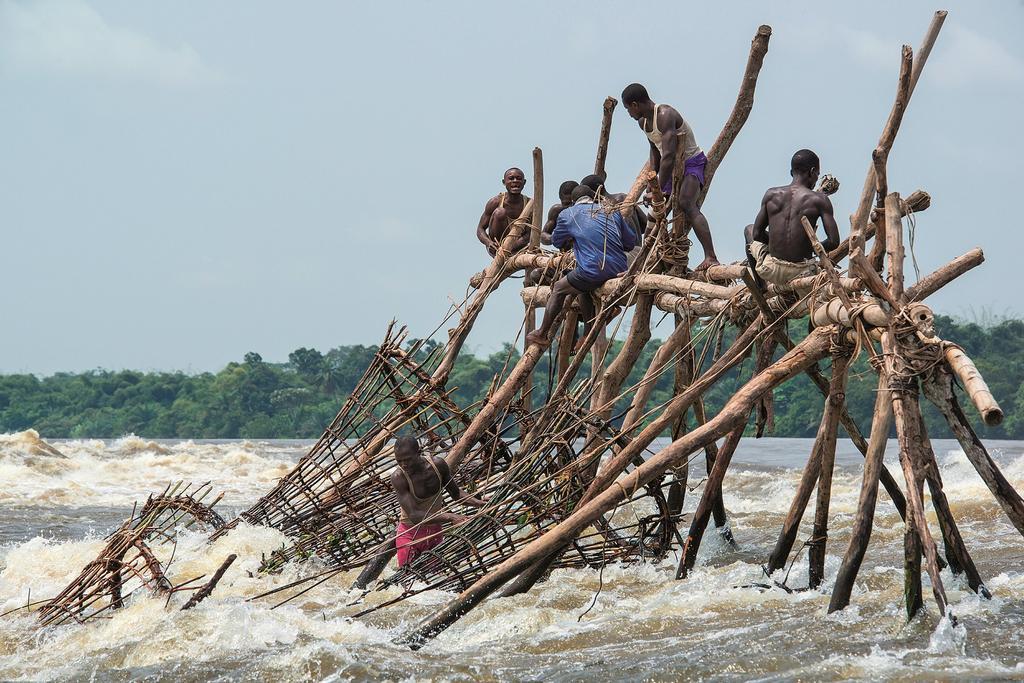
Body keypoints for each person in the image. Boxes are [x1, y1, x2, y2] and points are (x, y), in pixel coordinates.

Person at [621, 83, 719, 271]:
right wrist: (652, 185)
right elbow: (655, 153)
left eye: (628, 109)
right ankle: (639, 265)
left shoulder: (665, 115)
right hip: (670, 169)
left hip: (691, 163)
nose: (629, 114)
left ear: (635, 105)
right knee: (655, 214)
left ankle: (711, 256)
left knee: (686, 203)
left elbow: (669, 155)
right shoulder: (644, 123)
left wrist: (657, 187)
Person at [525, 185, 636, 348]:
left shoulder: (567, 214)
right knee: (580, 287)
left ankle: (542, 333)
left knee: (558, 288)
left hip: (594, 269)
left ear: (573, 201)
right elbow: (630, 243)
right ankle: (588, 332)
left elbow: (557, 242)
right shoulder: (611, 210)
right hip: (620, 268)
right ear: (593, 197)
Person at [744, 149, 840, 287]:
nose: (816, 180)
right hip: (802, 272)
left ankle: (761, 288)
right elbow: (833, 241)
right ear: (812, 172)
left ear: (791, 172)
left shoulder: (771, 194)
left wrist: (775, 244)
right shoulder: (820, 200)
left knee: (748, 229)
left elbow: (757, 234)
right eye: (817, 175)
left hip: (771, 269)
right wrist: (811, 249)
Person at [390, 436, 486, 567]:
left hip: (435, 532)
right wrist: (451, 516)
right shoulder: (399, 477)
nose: (403, 465)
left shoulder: (438, 466)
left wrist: (479, 503)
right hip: (409, 534)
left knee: (434, 576)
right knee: (406, 578)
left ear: (418, 453)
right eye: (399, 461)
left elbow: (456, 494)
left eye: (407, 460)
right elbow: (415, 515)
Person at [475, 167, 530, 257]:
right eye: (511, 178)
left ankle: (509, 250)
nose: (515, 181)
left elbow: (530, 233)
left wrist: (510, 247)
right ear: (504, 182)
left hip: (518, 248)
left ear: (524, 182)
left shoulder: (529, 204)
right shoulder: (495, 202)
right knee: (500, 212)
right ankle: (501, 249)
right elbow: (480, 229)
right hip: (497, 247)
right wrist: (489, 243)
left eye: (519, 178)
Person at [540, 180, 579, 246]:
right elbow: (543, 236)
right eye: (566, 204)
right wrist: (554, 237)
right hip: (566, 252)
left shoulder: (588, 211)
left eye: (572, 204)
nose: (569, 208)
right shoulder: (557, 211)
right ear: (560, 198)